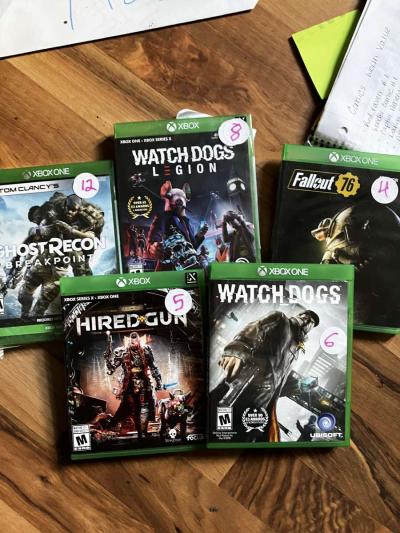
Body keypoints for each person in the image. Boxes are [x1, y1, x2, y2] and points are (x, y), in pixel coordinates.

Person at [212, 310, 319, 442]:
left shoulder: (296, 351)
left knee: (238, 439)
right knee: (219, 430)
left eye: (312, 323)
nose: (308, 322)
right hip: (240, 389)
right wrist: (237, 350)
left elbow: (279, 383)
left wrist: (300, 386)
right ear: (300, 315)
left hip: (259, 406)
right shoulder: (281, 320)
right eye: (306, 317)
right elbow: (255, 329)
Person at [105, 332, 162, 438]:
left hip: (144, 383)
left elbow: (153, 367)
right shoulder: (122, 352)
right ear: (129, 341)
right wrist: (107, 359)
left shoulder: (146, 350)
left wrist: (159, 381)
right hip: (129, 384)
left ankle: (145, 432)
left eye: (135, 342)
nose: (134, 344)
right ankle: (113, 427)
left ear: (139, 341)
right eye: (132, 342)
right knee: (127, 407)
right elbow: (112, 368)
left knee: (147, 405)